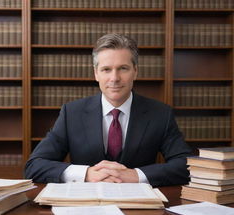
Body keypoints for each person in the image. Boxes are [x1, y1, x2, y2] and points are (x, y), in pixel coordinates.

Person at [25, 33, 192, 187]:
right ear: (96, 74)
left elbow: (186, 165)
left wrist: (136, 175)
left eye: (123, 68)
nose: (114, 78)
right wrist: (86, 174)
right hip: (85, 207)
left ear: (135, 71)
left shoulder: (160, 114)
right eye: (106, 69)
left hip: (139, 207)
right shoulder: (72, 113)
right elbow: (35, 165)